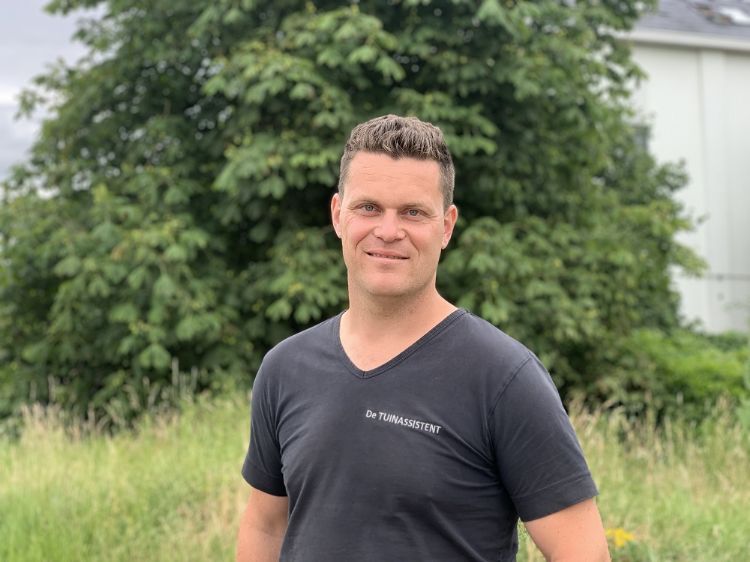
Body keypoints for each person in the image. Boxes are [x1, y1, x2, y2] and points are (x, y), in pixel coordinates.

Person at [236, 115, 610, 561]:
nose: (388, 231)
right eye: (368, 207)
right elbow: (266, 525)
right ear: (338, 214)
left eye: (413, 212)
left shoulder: (503, 378)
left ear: (447, 226)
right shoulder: (286, 368)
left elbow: (584, 554)